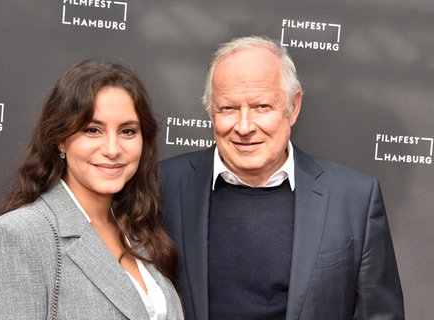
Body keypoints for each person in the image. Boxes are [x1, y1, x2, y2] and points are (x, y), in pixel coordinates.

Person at [159, 35, 404, 320]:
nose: (244, 126)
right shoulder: (161, 186)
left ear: (293, 106)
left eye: (262, 107)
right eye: (228, 108)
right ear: (210, 110)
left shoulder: (355, 198)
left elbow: (381, 315)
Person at [0, 59, 184, 320]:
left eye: (127, 131)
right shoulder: (13, 239)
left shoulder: (140, 233)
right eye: (92, 130)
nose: (112, 149)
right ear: (60, 140)